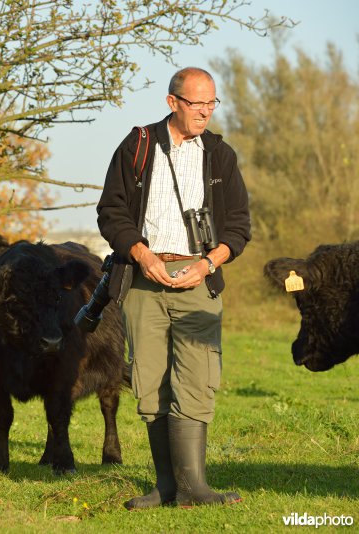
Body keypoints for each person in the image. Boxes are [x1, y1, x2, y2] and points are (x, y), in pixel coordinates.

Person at [97, 67, 251, 508]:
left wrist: (207, 264)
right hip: (145, 279)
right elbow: (112, 212)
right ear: (172, 102)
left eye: (211, 103)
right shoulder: (137, 146)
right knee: (150, 381)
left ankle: (195, 488)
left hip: (199, 279)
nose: (205, 111)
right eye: (196, 103)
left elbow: (239, 226)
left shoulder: (220, 155)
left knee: (197, 379)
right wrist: (142, 255)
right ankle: (166, 487)